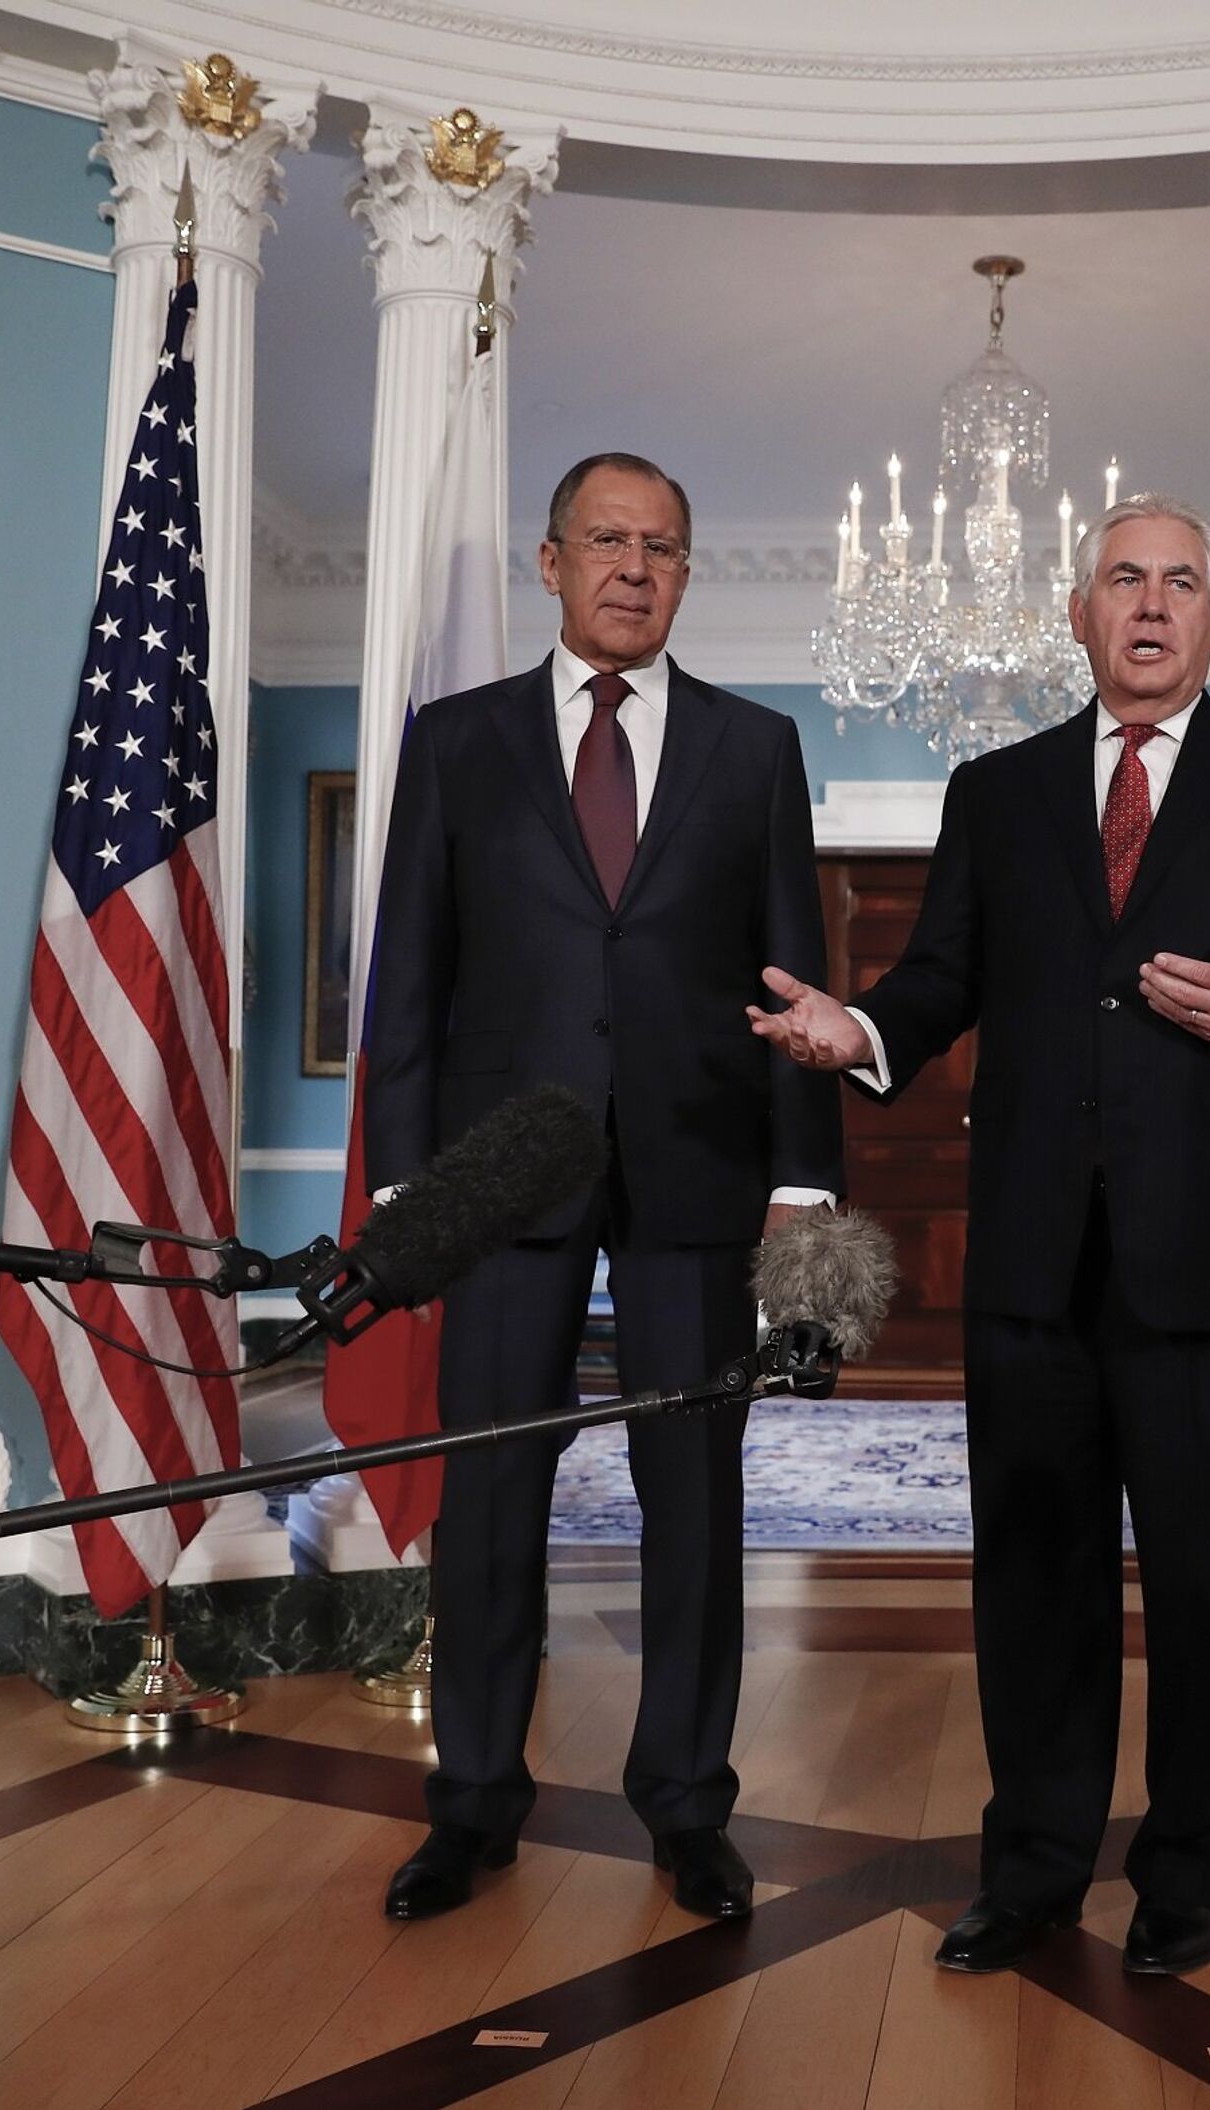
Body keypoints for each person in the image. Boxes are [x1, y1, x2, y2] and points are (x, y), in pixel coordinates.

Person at [749, 494, 1210, 1977]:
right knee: (1034, 1581)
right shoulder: (999, 790)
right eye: (1124, 579)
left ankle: (1188, 1877)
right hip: (1033, 1264)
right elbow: (941, 977)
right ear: (1079, 612)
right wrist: (861, 1030)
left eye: (1179, 581)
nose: (1151, 603)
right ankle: (1035, 1867)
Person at [366, 451, 844, 1921]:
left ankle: (689, 1807)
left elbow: (794, 977)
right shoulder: (456, 742)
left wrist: (804, 1183)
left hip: (698, 1171)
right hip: (503, 1176)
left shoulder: (755, 748)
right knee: (492, 1495)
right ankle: (473, 1804)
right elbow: (410, 974)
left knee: (692, 1496)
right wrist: (405, 1192)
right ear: (552, 561)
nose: (635, 568)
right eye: (608, 541)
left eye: (663, 547)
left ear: (686, 574)